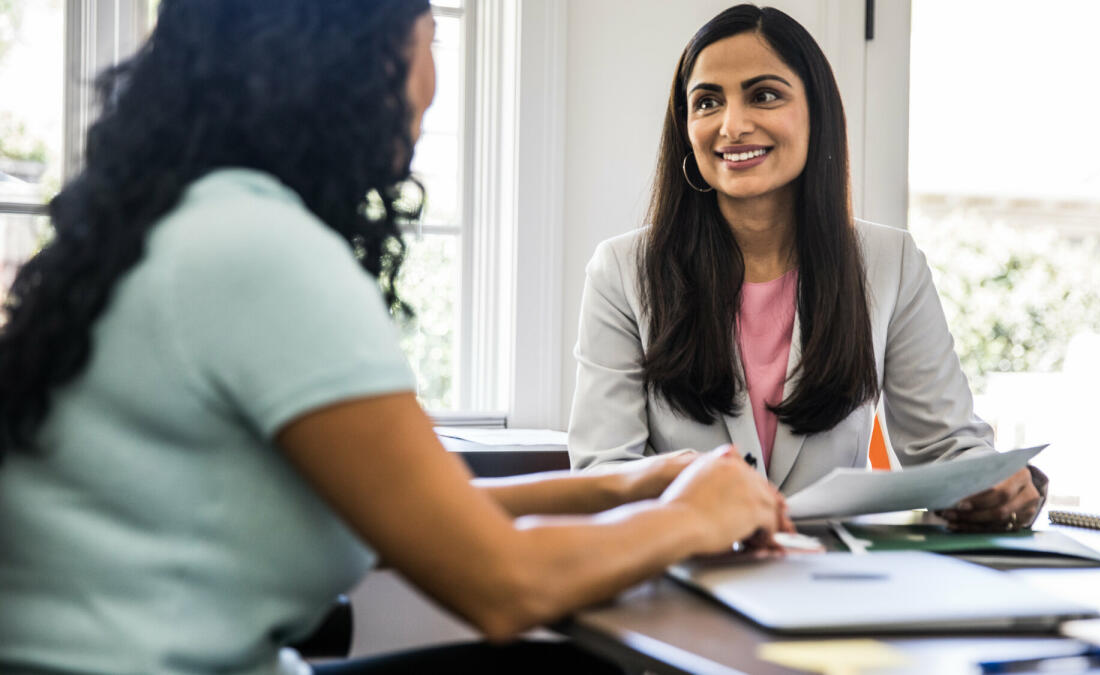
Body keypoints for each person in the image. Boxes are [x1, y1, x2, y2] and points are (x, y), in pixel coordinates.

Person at [0, 2, 792, 673]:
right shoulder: (260, 253)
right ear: (355, 61)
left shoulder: (188, 223)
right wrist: (694, 515)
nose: (434, 86)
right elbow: (503, 583)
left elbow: (414, 509)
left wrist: (624, 487)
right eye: (428, 40)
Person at [567, 4, 1047, 533]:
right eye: (707, 102)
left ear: (816, 112)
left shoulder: (891, 262)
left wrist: (990, 485)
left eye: (764, 95)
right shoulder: (622, 271)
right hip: (683, 576)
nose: (733, 125)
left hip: (837, 583)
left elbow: (945, 446)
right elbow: (602, 474)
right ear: (686, 127)